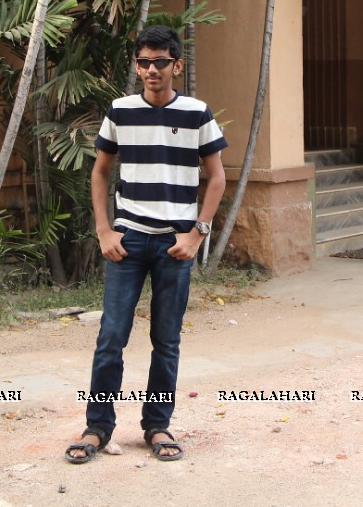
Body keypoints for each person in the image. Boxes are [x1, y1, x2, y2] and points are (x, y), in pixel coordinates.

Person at [65, 25, 227, 464]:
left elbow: (217, 177)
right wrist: (104, 230)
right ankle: (97, 428)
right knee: (110, 337)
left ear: (177, 65)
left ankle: (157, 426)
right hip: (128, 242)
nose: (151, 70)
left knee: (166, 340)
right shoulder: (120, 111)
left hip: (175, 245)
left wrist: (197, 233)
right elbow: (100, 172)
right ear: (137, 67)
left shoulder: (196, 113)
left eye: (160, 62)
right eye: (144, 62)